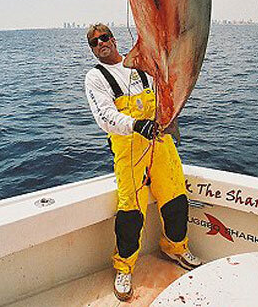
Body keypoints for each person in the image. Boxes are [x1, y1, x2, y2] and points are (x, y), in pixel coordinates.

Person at [84, 22, 202, 301]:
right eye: (94, 42)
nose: (101, 43)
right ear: (92, 49)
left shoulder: (142, 64)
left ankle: (175, 247)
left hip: (160, 141)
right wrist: (136, 125)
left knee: (175, 198)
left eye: (105, 37)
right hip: (129, 148)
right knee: (130, 212)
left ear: (113, 39)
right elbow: (104, 117)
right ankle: (124, 268)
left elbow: (167, 88)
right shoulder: (95, 78)